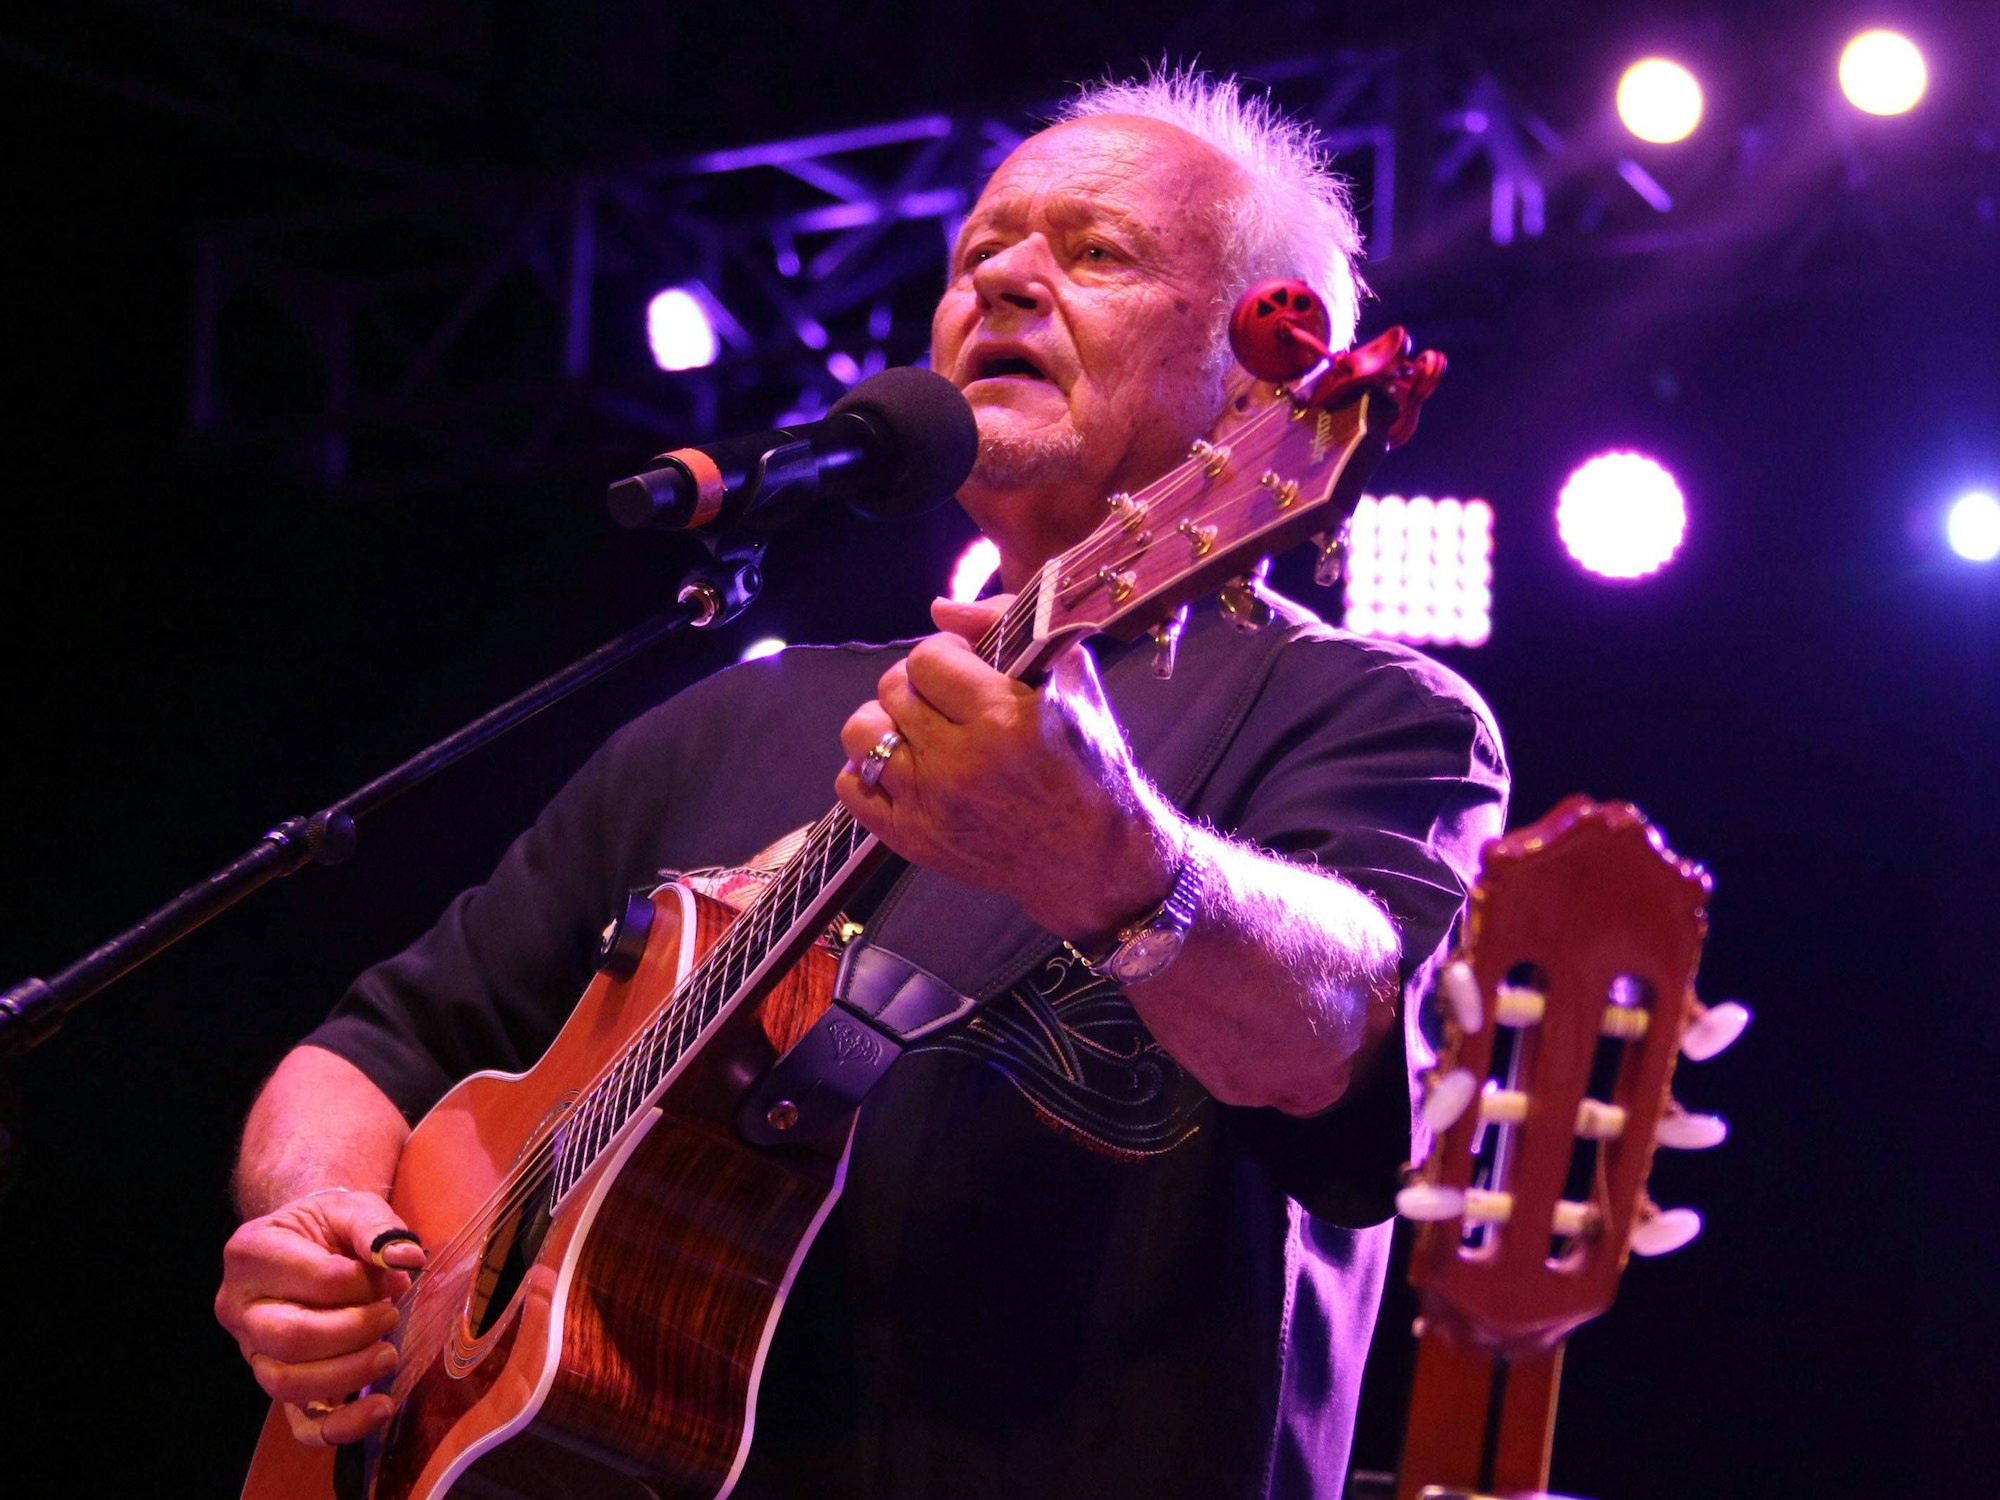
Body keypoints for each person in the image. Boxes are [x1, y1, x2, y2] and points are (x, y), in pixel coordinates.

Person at [215, 68, 1507, 1499]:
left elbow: (1330, 1040)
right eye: (977, 255)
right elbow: (370, 1050)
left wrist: (1120, 866)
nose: (1003, 280)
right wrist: (320, 1222)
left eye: (1095, 252)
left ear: (1270, 370)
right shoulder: (739, 711)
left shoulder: (1375, 715)